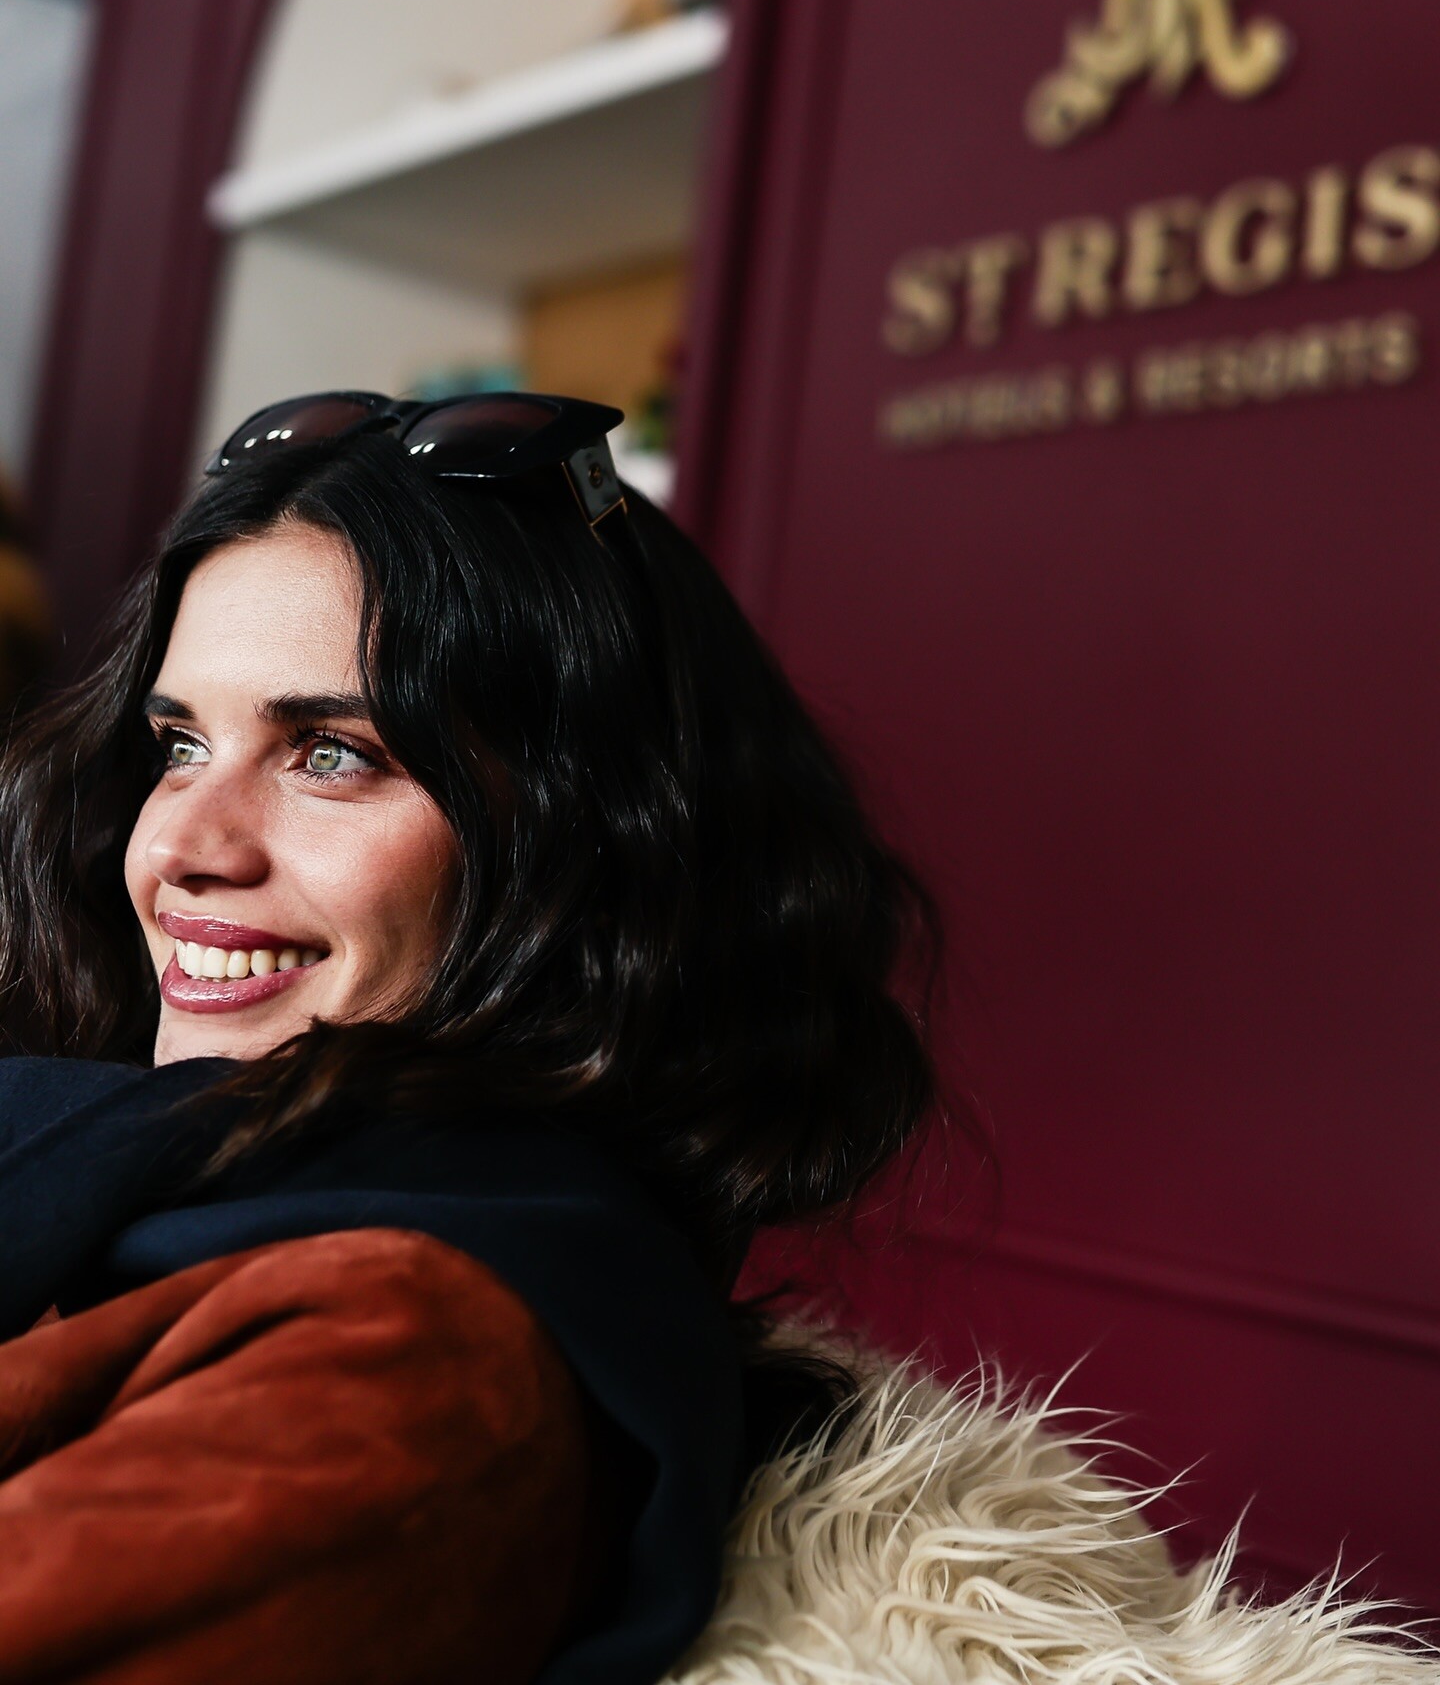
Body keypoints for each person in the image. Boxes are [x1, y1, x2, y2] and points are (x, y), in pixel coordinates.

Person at [0, 390, 943, 1685]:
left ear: (587, 847)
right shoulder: (160, 1179)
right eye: (180, 743)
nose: (179, 848)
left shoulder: (409, 1347)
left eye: (331, 753)